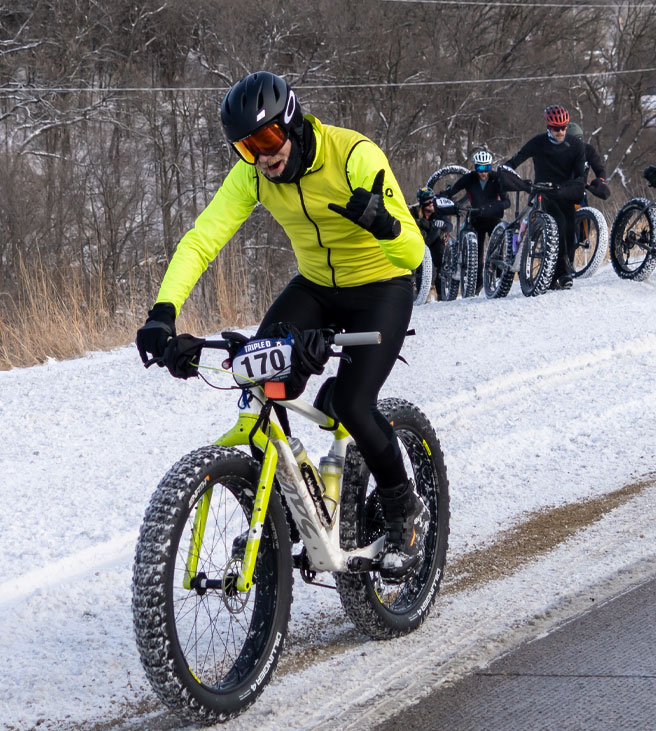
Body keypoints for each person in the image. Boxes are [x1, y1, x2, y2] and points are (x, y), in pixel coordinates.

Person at [133, 71, 428, 579]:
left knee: (355, 404)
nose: (262, 156)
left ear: (291, 123)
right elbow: (202, 239)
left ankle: (405, 512)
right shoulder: (253, 176)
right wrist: (163, 313)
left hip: (382, 286)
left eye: (267, 138)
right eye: (247, 147)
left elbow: (413, 252)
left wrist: (384, 224)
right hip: (315, 286)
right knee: (260, 378)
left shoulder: (354, 155)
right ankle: (282, 510)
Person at [503, 104, 587, 290]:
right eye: (556, 128)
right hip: (542, 190)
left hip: (564, 191)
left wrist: (574, 187)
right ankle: (561, 274)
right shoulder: (538, 142)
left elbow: (580, 175)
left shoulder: (576, 146)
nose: (560, 131)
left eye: (564, 127)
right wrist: (507, 169)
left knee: (570, 227)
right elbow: (516, 160)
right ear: (548, 127)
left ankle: (564, 271)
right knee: (558, 222)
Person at [443, 150, 510, 291]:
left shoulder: (497, 178)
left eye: (486, 168)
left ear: (490, 167)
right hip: (476, 219)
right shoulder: (469, 178)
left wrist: (492, 207)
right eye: (480, 168)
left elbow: (507, 202)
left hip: (493, 219)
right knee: (477, 255)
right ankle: (477, 284)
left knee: (497, 249)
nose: (483, 172)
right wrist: (440, 197)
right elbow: (453, 190)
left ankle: (498, 276)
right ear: (475, 167)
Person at [413, 186, 452, 298]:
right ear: (422, 203)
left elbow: (449, 225)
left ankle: (441, 293)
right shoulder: (414, 213)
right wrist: (428, 225)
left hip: (435, 243)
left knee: (441, 259)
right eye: (428, 201)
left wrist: (443, 226)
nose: (431, 203)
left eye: (432, 200)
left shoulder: (439, 211)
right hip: (420, 242)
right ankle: (420, 291)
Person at [566, 121, 610, 201]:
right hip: (561, 190)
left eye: (579, 139)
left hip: (580, 191)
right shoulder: (559, 151)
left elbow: (600, 169)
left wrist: (600, 180)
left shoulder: (588, 150)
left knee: (583, 210)